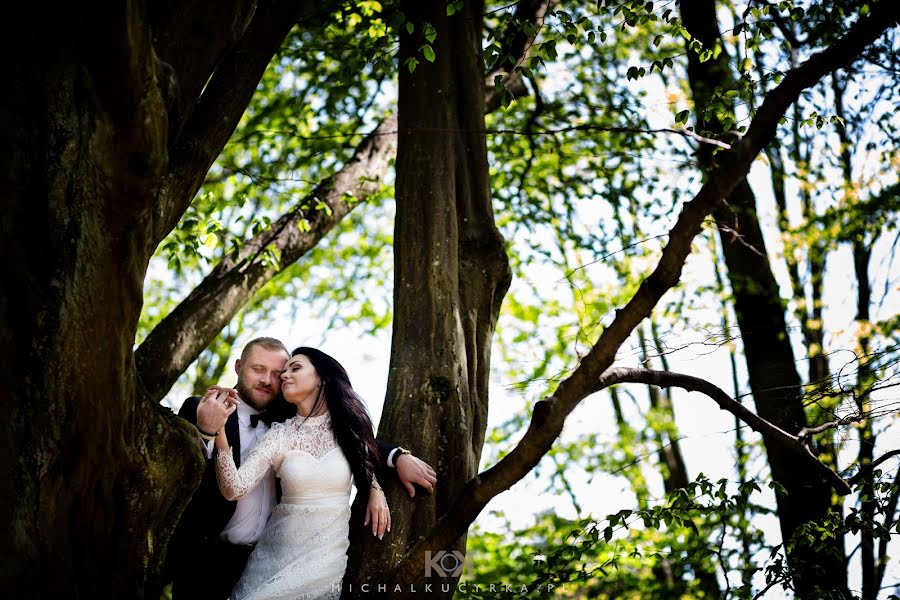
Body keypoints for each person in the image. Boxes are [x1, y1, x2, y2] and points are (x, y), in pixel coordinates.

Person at [168, 338, 436, 599]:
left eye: (278, 372)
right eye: (258, 369)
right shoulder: (202, 408)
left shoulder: (290, 417)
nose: (269, 379)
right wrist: (207, 432)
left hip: (278, 553)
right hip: (206, 557)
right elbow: (179, 472)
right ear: (238, 367)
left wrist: (397, 458)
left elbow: (355, 442)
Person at [214, 347, 385, 599]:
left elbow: (368, 462)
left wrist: (375, 490)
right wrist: (219, 431)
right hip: (272, 560)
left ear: (322, 378)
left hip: (325, 563)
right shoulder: (279, 435)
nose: (284, 375)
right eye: (284, 371)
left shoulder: (349, 431)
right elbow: (233, 488)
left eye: (295, 368)